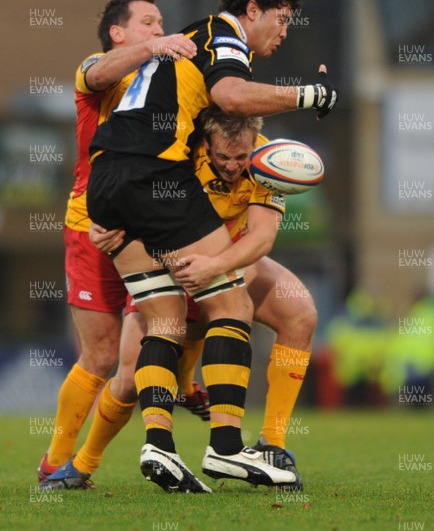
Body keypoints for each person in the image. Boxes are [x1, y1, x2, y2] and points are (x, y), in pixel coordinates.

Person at [83, 0, 337, 494]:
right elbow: (231, 96)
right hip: (155, 175)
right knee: (233, 305)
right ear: (252, 11)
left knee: (165, 318)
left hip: (106, 180)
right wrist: (310, 97)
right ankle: (225, 449)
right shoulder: (224, 35)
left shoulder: (189, 42)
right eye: (282, 18)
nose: (285, 31)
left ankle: (160, 446)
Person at [40, 106, 316, 492]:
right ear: (206, 142)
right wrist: (105, 225)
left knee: (300, 312)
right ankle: (80, 464)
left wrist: (214, 264)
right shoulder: (177, 155)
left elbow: (261, 238)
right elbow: (130, 190)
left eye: (241, 156)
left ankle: (272, 443)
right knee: (128, 376)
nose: (233, 166)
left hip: (226, 260)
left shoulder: (266, 161)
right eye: (223, 157)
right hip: (163, 258)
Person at [37, 0, 202, 484]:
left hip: (148, 225)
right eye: (148, 23)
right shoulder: (100, 68)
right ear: (118, 32)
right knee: (101, 356)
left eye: (161, 24)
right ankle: (53, 465)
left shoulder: (167, 82)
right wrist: (158, 46)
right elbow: (97, 74)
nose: (158, 30)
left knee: (134, 368)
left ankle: (88, 463)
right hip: (90, 224)